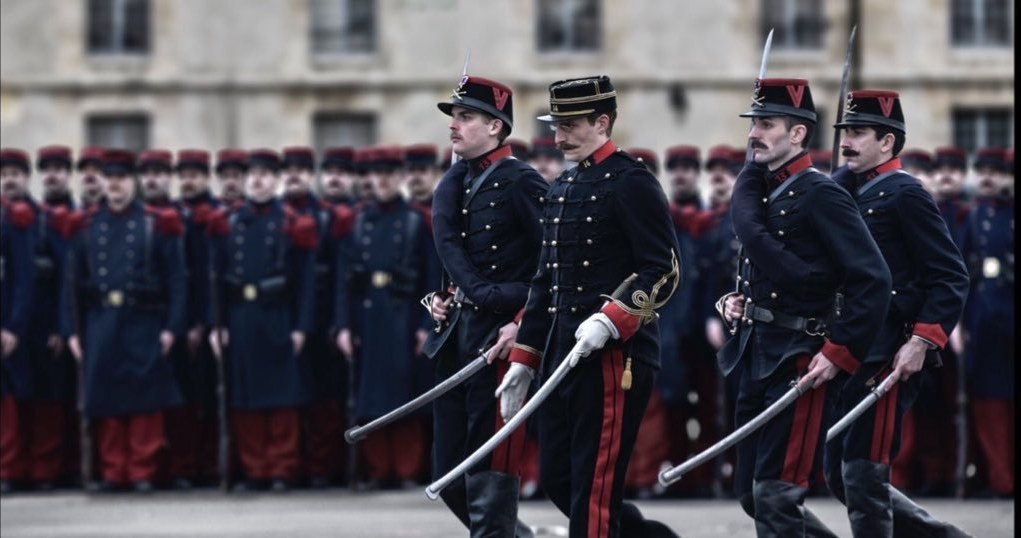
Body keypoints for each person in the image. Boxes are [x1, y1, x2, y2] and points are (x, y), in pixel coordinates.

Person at [500, 75, 680, 537]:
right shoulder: (563, 186)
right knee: (560, 476)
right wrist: (524, 359)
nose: (557, 137)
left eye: (570, 126)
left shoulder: (631, 181)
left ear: (602, 123)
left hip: (613, 359)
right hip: (563, 354)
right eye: (556, 125)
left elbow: (663, 269)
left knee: (594, 488)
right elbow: (546, 284)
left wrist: (613, 317)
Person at [718, 78, 892, 537]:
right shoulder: (767, 191)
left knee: (778, 495)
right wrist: (738, 301)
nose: (754, 133)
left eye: (766, 123)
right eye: (753, 122)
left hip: (799, 357)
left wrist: (838, 352)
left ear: (797, 134)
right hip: (757, 352)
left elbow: (872, 280)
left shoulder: (821, 193)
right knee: (752, 494)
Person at [827, 89, 972, 536]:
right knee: (838, 474)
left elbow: (950, 276)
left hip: (890, 352)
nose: (846, 141)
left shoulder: (906, 194)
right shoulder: (840, 189)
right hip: (848, 348)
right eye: (844, 133)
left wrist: (921, 342)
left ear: (887, 141)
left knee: (863, 474)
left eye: (857, 132)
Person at [424, 73, 547, 537]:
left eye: (466, 117)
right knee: (450, 475)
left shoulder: (521, 182)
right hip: (458, 337)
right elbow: (458, 260)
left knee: (490, 469)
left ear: (496, 126)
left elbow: (551, 268)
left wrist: (522, 323)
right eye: (454, 117)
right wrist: (439, 301)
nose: (454, 126)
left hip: (498, 343)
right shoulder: (460, 183)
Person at [62, 148, 187, 493]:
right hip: (101, 319)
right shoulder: (86, 226)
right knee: (106, 398)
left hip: (143, 319)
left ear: (132, 182)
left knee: (144, 400)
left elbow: (178, 281)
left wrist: (172, 327)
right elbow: (70, 284)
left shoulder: (154, 223)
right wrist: (71, 330)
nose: (114, 186)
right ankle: (115, 470)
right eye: (109, 179)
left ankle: (142, 470)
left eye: (121, 179)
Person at [207, 148, 317, 492]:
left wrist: (302, 326)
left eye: (265, 175)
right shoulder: (230, 222)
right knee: (247, 398)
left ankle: (282, 468)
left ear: (276, 180)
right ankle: (256, 470)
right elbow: (215, 281)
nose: (257, 181)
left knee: (282, 398)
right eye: (252, 175)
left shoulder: (290, 223)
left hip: (279, 315)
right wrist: (217, 324)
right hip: (241, 316)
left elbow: (307, 281)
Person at [334, 146, 438, 489]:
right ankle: (379, 470)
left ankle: (408, 470)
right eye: (377, 175)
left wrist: (426, 325)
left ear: (400, 178)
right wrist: (344, 326)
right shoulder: (358, 221)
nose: (382, 181)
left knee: (407, 396)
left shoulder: (416, 222)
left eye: (390, 174)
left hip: (405, 316)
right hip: (368, 317)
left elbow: (432, 277)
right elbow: (344, 281)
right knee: (372, 398)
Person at [279, 146, 352, 488]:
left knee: (325, 397)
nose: (294, 175)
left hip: (322, 317)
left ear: (311, 176)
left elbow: (340, 274)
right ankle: (296, 464)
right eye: (289, 169)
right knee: (290, 396)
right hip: (282, 316)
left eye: (301, 169)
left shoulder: (327, 217)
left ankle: (323, 466)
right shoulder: (277, 214)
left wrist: (338, 321)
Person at [165, 149, 222, 489]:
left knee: (211, 396)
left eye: (195, 174)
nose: (189, 181)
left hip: (207, 320)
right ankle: (183, 466)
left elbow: (209, 275)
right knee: (181, 400)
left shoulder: (215, 216)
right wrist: (178, 324)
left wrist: (204, 322)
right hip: (175, 321)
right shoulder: (169, 215)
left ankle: (212, 464)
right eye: (183, 174)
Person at [959, 146, 1014, 499]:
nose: (987, 177)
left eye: (995, 171)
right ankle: (1000, 479)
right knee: (987, 403)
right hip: (983, 320)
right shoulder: (974, 217)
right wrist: (959, 323)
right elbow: (961, 272)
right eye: (981, 171)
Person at [24, 146, 78, 491]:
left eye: (59, 168)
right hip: (30, 321)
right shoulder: (33, 217)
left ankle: (59, 468)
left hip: (62, 324)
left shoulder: (73, 216)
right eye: (48, 169)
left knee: (59, 400)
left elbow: (68, 278)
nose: (53, 175)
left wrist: (64, 326)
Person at [0, 148, 39, 495]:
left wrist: (13, 326)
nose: (8, 179)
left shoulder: (17, 220)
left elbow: (25, 279)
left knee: (9, 402)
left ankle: (8, 470)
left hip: (7, 324)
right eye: (3, 173)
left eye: (15, 172)